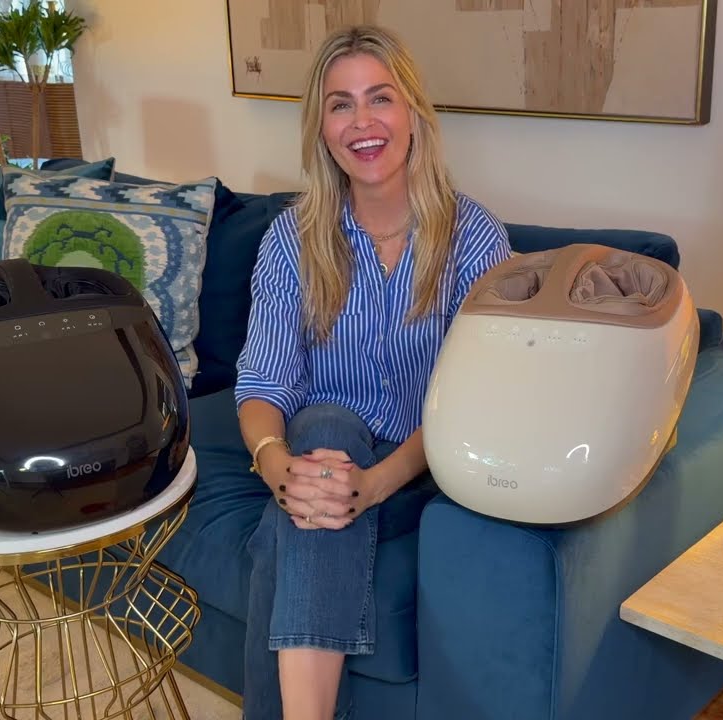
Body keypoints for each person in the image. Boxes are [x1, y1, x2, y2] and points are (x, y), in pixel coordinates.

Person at [233, 24, 512, 720]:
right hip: (319, 458)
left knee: (281, 539)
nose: (362, 122)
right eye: (341, 104)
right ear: (322, 128)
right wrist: (280, 470)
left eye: (380, 98)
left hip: (424, 469)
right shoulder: (293, 240)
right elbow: (262, 385)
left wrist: (373, 484)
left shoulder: (475, 239)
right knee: (325, 431)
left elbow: (473, 406)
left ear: (413, 113)